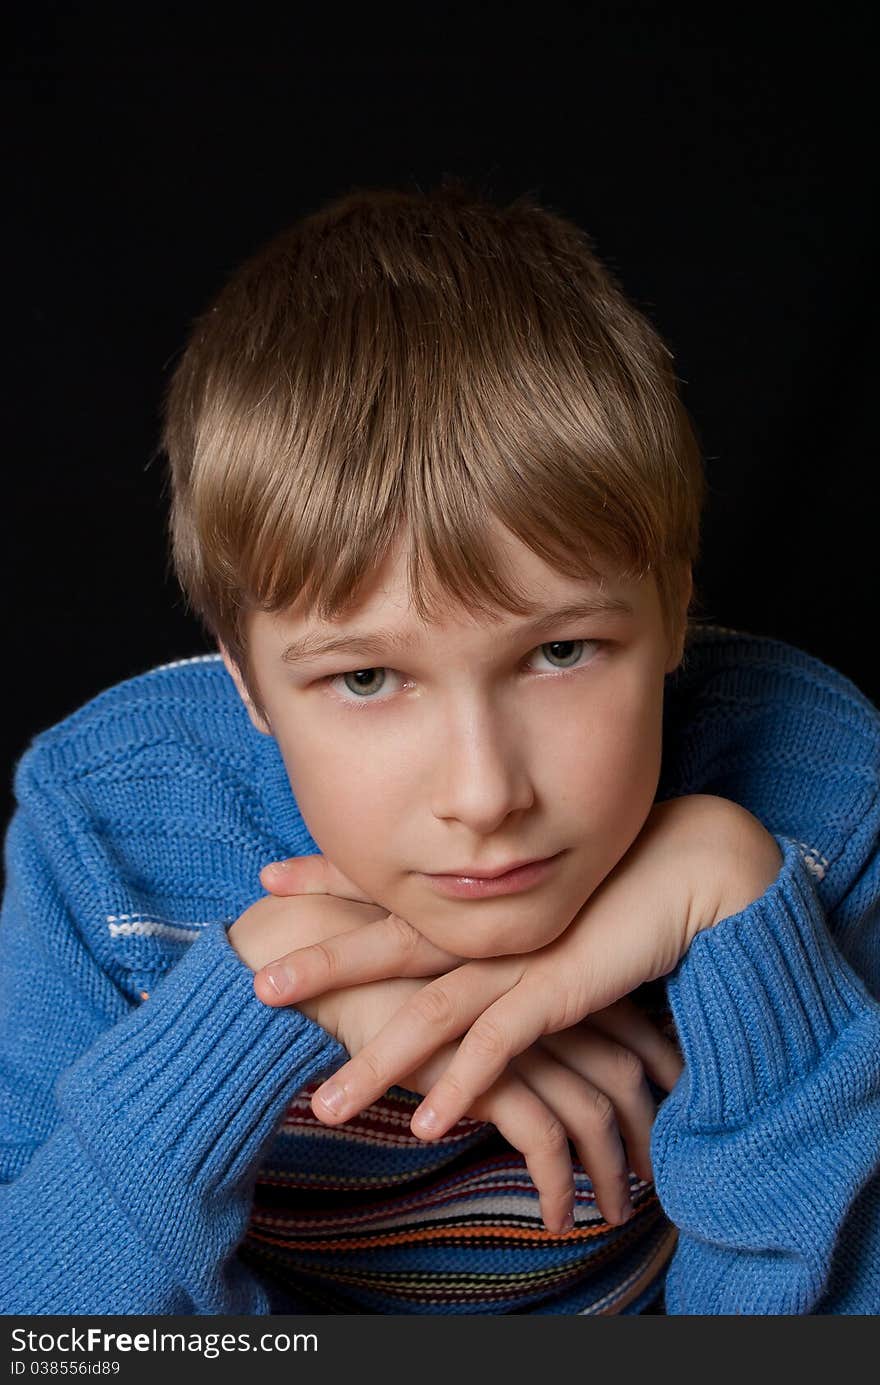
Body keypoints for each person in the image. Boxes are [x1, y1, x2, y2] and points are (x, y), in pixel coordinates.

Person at [1, 180, 878, 1316]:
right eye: (365, 676)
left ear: (670, 606)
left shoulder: (823, 790)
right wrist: (254, 1003)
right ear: (245, 676)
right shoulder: (106, 833)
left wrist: (746, 913)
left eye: (561, 650)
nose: (483, 793)